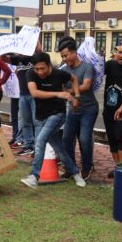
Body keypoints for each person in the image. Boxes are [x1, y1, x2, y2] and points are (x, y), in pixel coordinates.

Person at [20, 52, 86, 189]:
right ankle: (75, 172)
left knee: (40, 140)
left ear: (49, 65)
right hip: (41, 116)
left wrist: (77, 96)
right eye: (37, 69)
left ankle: (34, 176)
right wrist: (59, 93)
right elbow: (34, 93)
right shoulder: (31, 74)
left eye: (42, 68)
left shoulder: (59, 74)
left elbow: (73, 79)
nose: (40, 72)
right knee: (59, 149)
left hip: (57, 114)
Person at [59, 39, 99, 180]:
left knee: (84, 138)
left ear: (74, 53)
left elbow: (86, 85)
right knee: (66, 138)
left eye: (66, 55)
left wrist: (69, 91)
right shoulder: (63, 70)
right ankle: (71, 168)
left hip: (89, 109)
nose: (65, 59)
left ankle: (87, 167)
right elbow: (60, 88)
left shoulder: (87, 67)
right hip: (73, 110)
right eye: (62, 57)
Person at [7, 42, 42, 156]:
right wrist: (3, 46)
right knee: (25, 122)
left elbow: (39, 51)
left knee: (37, 122)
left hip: (34, 95)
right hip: (22, 95)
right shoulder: (18, 59)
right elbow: (3, 58)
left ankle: (38, 147)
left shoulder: (35, 58)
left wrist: (35, 41)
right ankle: (28, 145)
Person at [103, 49, 122, 178]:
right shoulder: (110, 65)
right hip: (108, 109)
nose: (121, 55)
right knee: (112, 138)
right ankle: (117, 166)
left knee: (120, 139)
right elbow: (97, 73)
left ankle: (121, 167)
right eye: (119, 52)